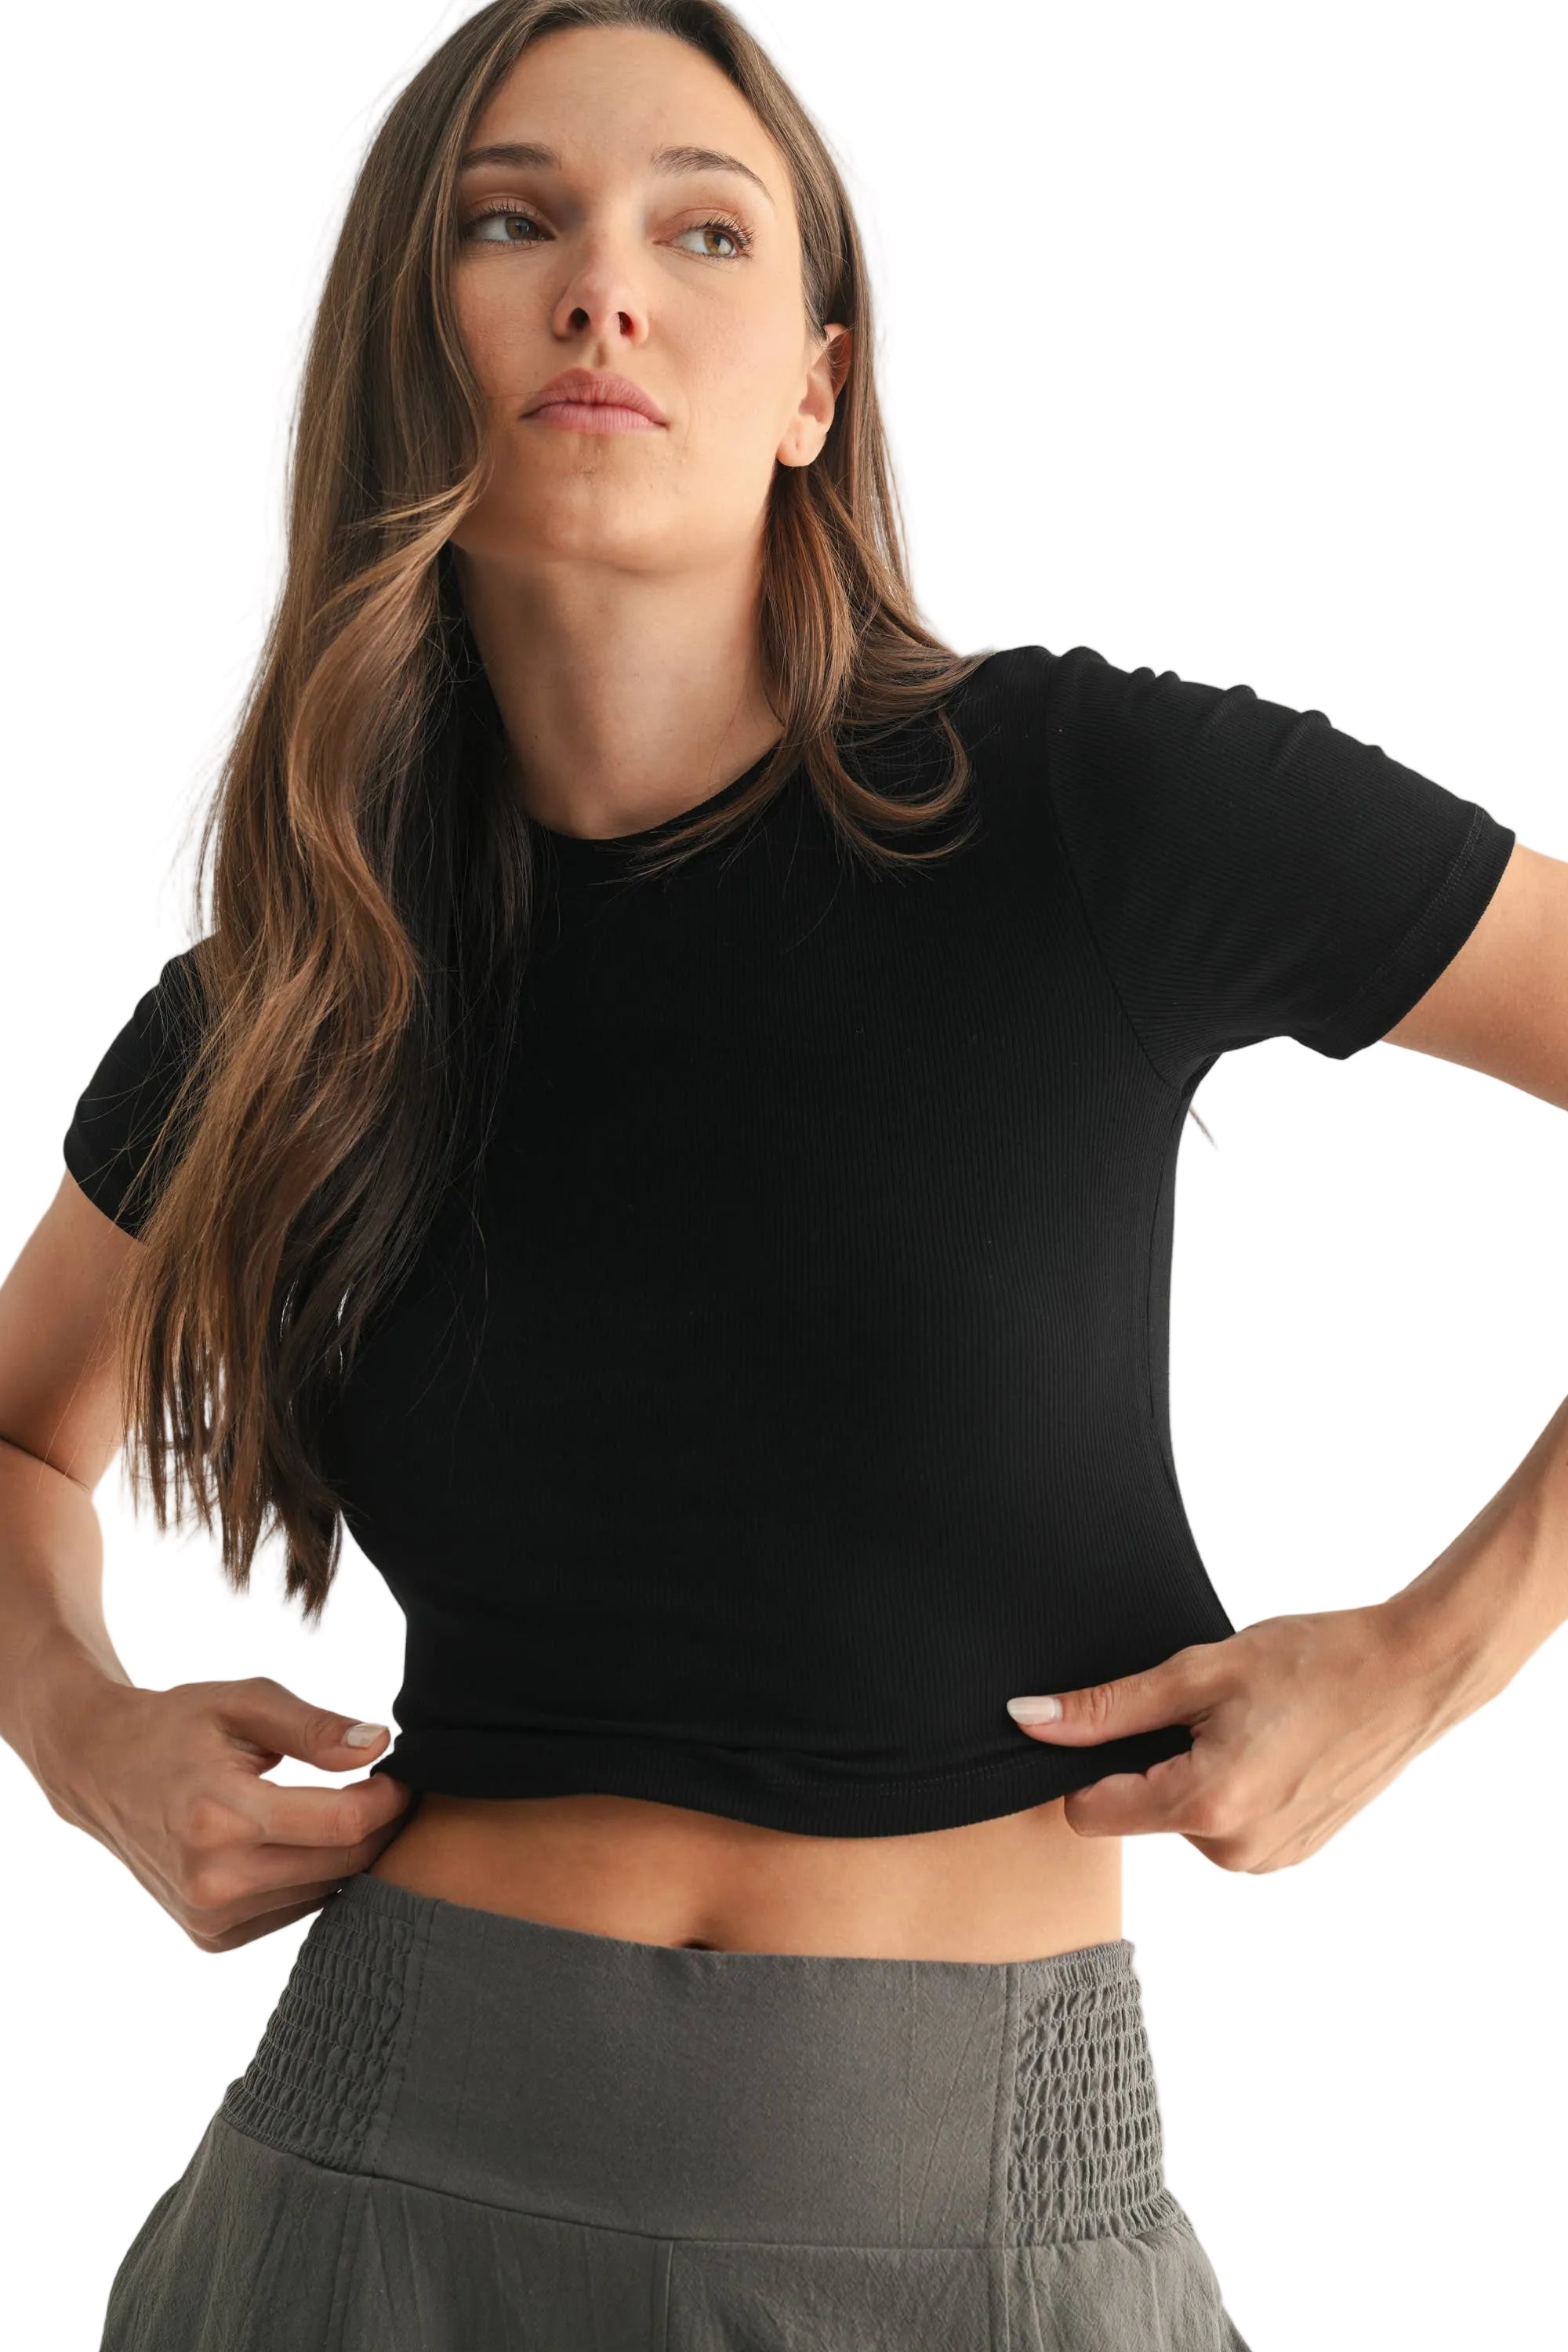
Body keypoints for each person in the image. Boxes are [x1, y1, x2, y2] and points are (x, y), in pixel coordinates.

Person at [2, 2, 1565, 2345]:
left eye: (703, 232)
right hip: (368, 2213)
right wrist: (82, 1735)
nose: (602, 291)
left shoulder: (1094, 810)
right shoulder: (305, 988)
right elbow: (20, 1431)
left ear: (820, 386)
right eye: (510, 221)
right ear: (403, 353)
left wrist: (1437, 1659)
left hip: (979, 2246)